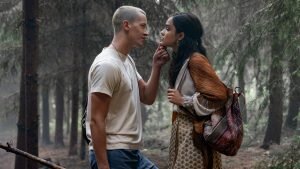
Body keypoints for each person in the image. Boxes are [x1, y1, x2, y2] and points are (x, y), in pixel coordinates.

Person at [85, 6, 170, 169]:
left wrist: (157, 66)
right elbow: (96, 120)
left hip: (132, 153)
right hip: (113, 154)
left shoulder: (126, 60)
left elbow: (146, 96)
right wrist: (103, 166)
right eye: (142, 26)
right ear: (126, 25)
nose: (146, 32)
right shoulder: (107, 65)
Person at [160, 13, 228, 169]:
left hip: (196, 135)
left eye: (168, 28)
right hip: (183, 131)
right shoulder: (181, 59)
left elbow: (219, 95)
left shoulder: (196, 60)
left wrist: (183, 100)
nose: (162, 32)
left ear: (181, 35)